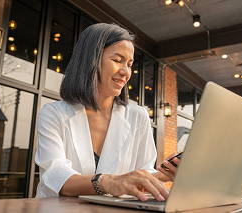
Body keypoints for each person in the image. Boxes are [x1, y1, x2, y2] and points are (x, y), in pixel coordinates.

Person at [35, 23, 180, 202]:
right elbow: (56, 177)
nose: (125, 72)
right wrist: (108, 182)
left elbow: (143, 172)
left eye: (129, 64)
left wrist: (162, 175)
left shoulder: (138, 116)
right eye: (117, 60)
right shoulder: (54, 114)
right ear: (91, 60)